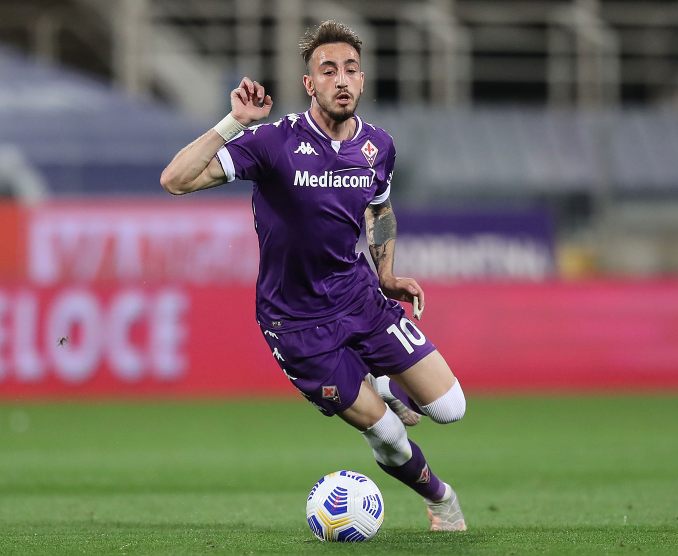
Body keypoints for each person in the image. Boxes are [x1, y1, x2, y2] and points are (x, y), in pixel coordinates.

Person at [160, 20, 467, 532]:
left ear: (363, 80)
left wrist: (386, 274)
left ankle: (385, 380)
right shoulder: (273, 142)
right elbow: (175, 180)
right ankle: (442, 500)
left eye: (350, 69)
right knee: (388, 434)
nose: (341, 79)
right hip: (297, 324)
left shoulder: (377, 146)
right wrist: (233, 122)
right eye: (328, 70)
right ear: (310, 84)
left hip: (360, 300)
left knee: (452, 407)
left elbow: (380, 208)